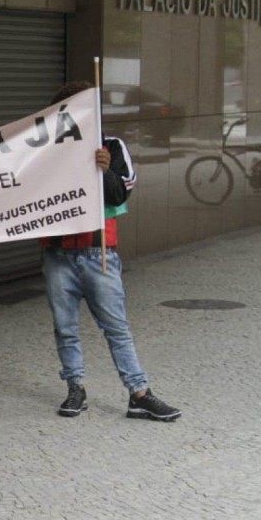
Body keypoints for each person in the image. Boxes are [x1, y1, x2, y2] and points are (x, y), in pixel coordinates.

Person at [43, 82, 182, 421]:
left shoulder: (111, 146)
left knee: (116, 327)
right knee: (65, 327)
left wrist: (104, 169)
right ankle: (75, 389)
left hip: (98, 252)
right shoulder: (43, 150)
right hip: (57, 253)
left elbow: (121, 195)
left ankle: (139, 394)